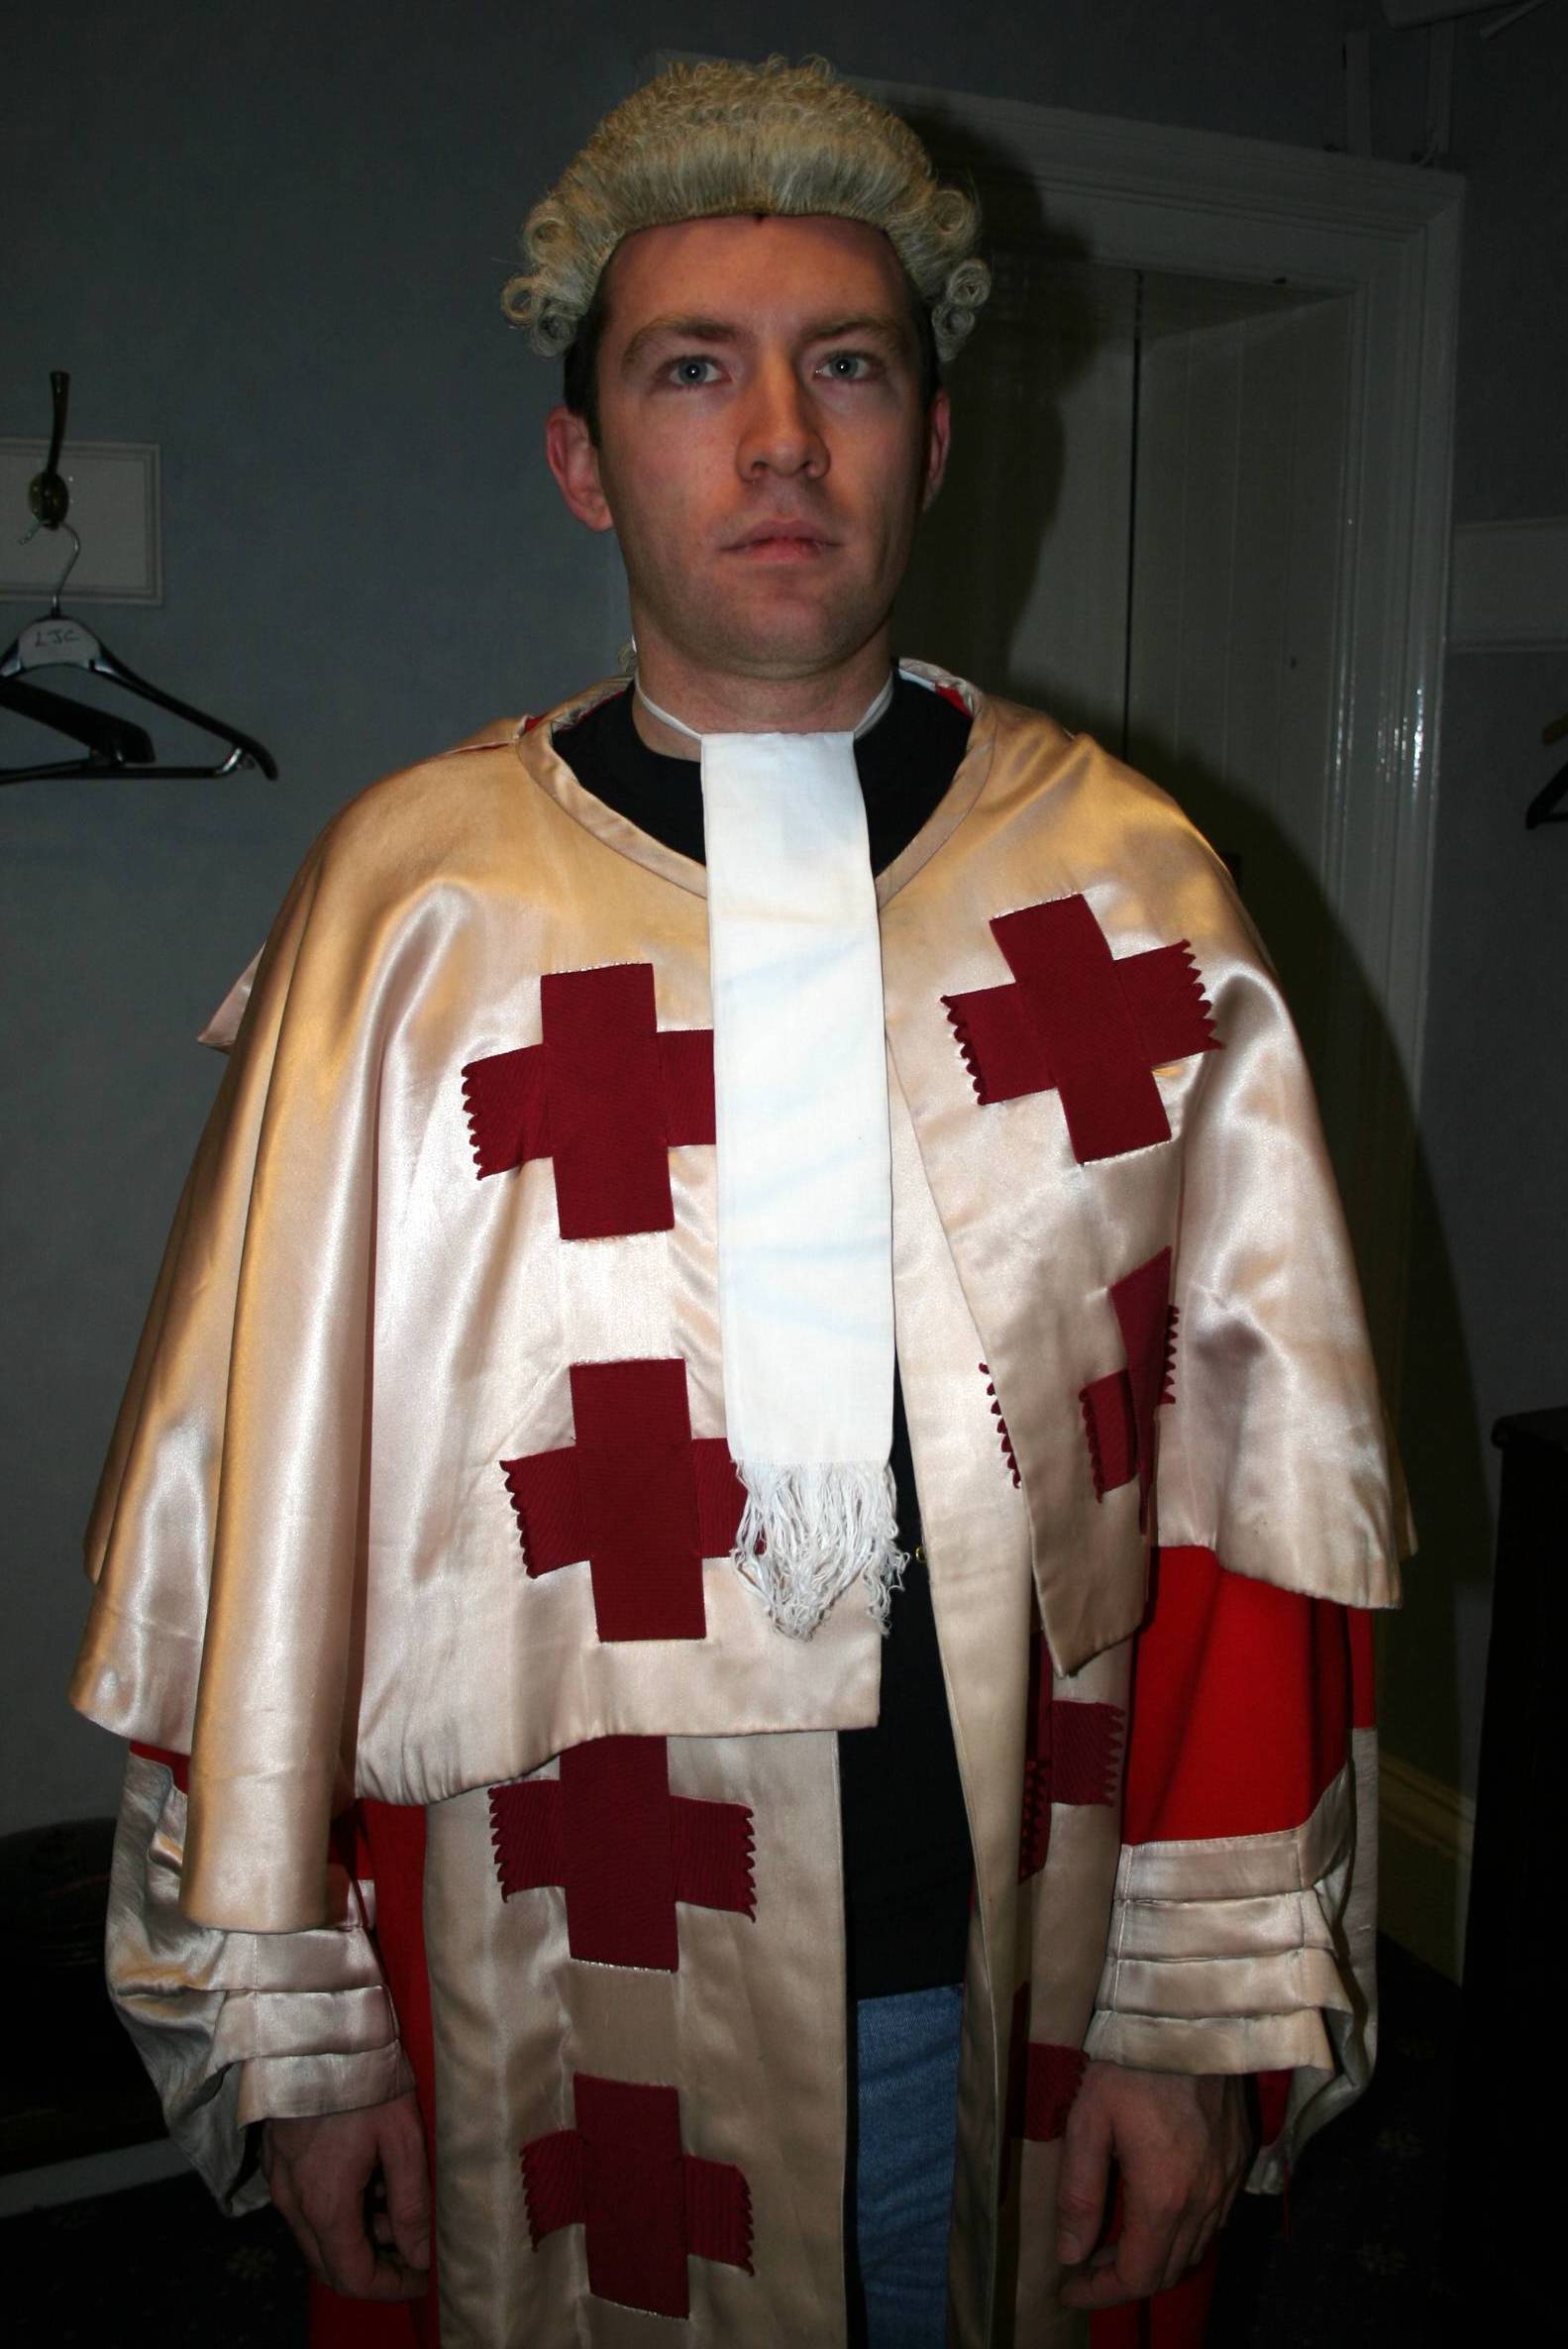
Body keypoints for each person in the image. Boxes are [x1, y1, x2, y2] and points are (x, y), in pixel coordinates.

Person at [71, 55, 1404, 2349]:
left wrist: (1195, 2026)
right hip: (528, 1993)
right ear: (584, 457)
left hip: (1020, 1982)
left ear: (937, 441)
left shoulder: (1134, 896)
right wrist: (303, 2017)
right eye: (695, 370)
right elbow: (257, 1519)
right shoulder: (413, 915)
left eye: (847, 367)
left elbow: (1251, 1521)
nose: (780, 438)